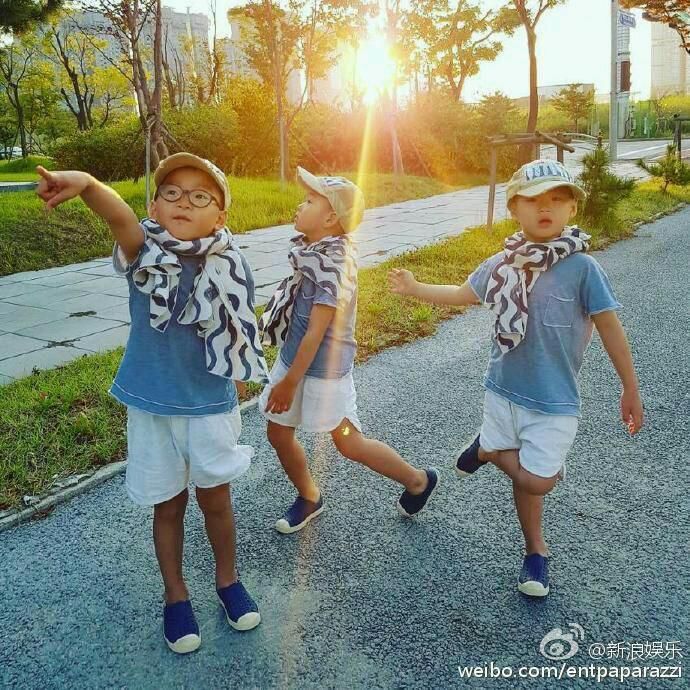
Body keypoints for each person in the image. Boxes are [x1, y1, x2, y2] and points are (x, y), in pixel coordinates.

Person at [36, 153, 268, 653]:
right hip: (152, 405)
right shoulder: (144, 253)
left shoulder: (231, 264)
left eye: (200, 196)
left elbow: (239, 330)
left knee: (217, 500)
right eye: (172, 193)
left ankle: (228, 581)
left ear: (220, 216)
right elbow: (117, 215)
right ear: (155, 207)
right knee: (168, 503)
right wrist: (87, 183)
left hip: (209, 405)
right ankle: (175, 594)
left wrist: (239, 383)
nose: (184, 202)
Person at [389, 159, 644, 597]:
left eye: (557, 199)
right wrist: (415, 287)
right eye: (533, 199)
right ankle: (535, 552)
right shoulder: (502, 264)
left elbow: (609, 327)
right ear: (514, 208)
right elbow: (462, 294)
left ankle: (487, 450)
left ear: (572, 209)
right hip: (503, 392)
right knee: (529, 485)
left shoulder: (583, 269)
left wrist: (630, 386)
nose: (546, 207)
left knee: (539, 481)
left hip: (554, 400)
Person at [259, 167, 439, 534]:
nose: (300, 205)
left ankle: (418, 480)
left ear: (330, 219)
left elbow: (316, 331)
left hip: (323, 371)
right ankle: (309, 496)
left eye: (310, 201)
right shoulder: (311, 251)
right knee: (277, 433)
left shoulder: (334, 264)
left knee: (347, 442)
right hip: (294, 361)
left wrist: (289, 382)